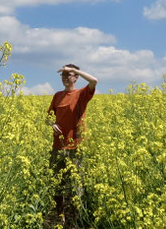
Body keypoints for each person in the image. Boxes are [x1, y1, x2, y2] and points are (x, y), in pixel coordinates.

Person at [47, 64, 98, 228]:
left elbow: (94, 81)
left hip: (75, 147)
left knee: (76, 187)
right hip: (57, 147)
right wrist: (52, 124)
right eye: (63, 75)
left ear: (76, 77)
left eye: (69, 75)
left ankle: (75, 220)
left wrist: (75, 70)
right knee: (57, 185)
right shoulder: (57, 96)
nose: (65, 78)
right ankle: (60, 216)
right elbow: (49, 117)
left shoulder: (82, 94)